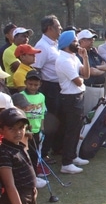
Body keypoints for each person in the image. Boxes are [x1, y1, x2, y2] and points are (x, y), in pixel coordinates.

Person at [55, 30, 90, 174]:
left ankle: (73, 156)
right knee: (71, 131)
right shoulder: (63, 60)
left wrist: (85, 58)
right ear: (68, 43)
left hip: (77, 96)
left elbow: (86, 74)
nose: (77, 43)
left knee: (76, 129)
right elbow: (78, 81)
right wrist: (82, 79)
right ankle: (66, 163)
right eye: (75, 41)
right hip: (70, 99)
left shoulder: (74, 57)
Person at [0, 107, 38, 204]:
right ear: (1, 130)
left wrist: (33, 189)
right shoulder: (4, 153)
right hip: (16, 201)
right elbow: (9, 185)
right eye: (11, 128)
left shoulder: (18, 146)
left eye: (21, 127)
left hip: (26, 197)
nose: (18, 132)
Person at [34, 15, 62, 165]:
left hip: (58, 86)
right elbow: (36, 69)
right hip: (49, 87)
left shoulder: (55, 44)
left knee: (58, 118)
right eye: (58, 27)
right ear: (49, 28)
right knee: (50, 121)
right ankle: (44, 154)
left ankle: (56, 148)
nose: (60, 29)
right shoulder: (42, 46)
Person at [19, 70, 48, 181]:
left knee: (35, 154)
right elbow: (19, 113)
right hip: (25, 131)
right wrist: (25, 128)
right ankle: (27, 177)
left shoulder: (41, 96)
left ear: (40, 84)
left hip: (36, 130)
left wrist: (42, 126)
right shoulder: (21, 96)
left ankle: (34, 176)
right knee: (25, 154)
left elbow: (42, 114)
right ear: (26, 83)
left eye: (36, 85)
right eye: (30, 84)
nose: (33, 87)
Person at [77, 29, 106, 116]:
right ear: (81, 41)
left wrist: (97, 68)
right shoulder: (79, 54)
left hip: (101, 88)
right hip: (90, 88)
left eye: (92, 39)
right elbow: (91, 72)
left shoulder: (93, 52)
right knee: (89, 113)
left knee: (99, 114)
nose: (92, 41)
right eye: (89, 39)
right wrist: (101, 69)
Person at [3, 27, 33, 94]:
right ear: (15, 37)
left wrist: (26, 66)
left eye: (27, 37)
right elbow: (19, 68)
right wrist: (29, 66)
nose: (26, 39)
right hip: (14, 88)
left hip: (29, 85)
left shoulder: (29, 49)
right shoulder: (9, 51)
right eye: (23, 36)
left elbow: (26, 68)